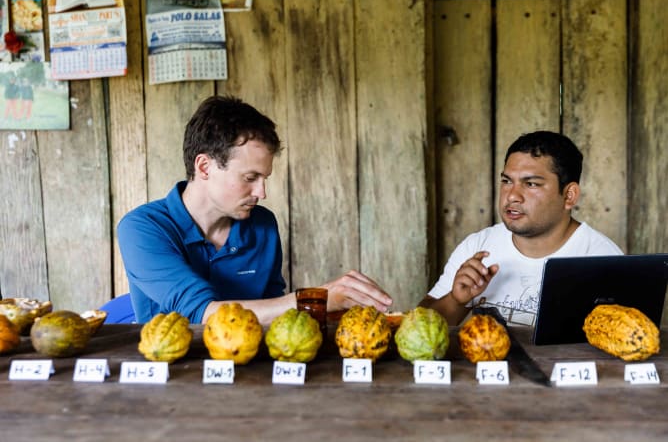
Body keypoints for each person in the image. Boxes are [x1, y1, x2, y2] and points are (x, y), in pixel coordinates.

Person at [117, 95, 392, 325]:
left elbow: (274, 309)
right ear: (204, 167)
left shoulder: (263, 225)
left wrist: (339, 311)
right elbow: (201, 313)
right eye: (250, 178)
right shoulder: (142, 228)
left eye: (265, 179)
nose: (261, 193)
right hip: (172, 375)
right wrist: (313, 300)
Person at [419, 131, 622, 327]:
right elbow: (419, 329)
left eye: (531, 184)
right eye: (507, 181)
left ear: (569, 196)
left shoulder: (603, 258)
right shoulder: (479, 247)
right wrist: (455, 299)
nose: (512, 195)